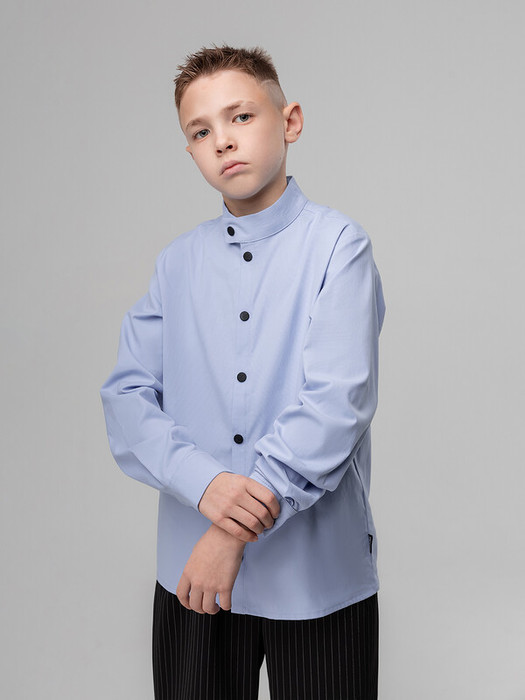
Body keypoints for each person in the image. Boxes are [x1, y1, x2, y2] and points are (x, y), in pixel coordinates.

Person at [100, 45, 385, 700]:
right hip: (192, 578)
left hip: (315, 577)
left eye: (241, 117)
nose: (223, 141)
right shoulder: (175, 264)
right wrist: (205, 486)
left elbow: (334, 405)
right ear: (191, 151)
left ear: (290, 121)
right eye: (201, 132)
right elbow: (126, 398)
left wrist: (229, 530)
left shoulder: (338, 246)